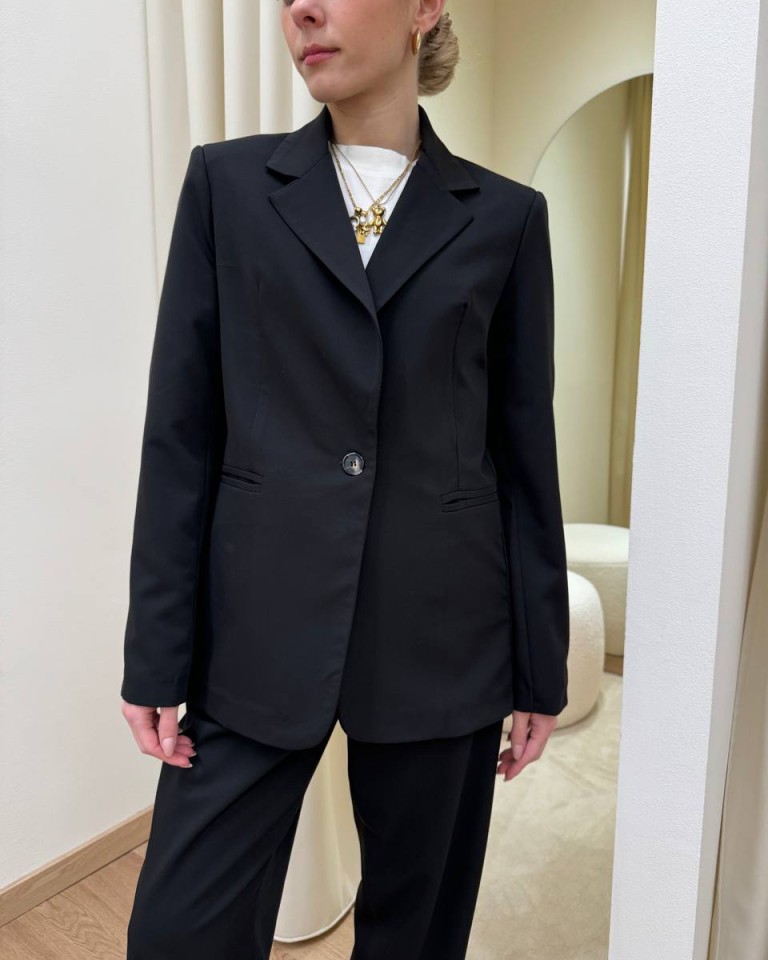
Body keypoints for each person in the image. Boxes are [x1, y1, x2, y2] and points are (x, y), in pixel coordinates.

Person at [121, 1, 570, 958]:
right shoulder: (228, 187)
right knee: (178, 931)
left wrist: (541, 665)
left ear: (424, 9)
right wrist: (155, 654)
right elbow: (181, 435)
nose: (302, 10)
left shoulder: (505, 218)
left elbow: (524, 455)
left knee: (416, 935)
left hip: (443, 637)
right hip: (253, 632)